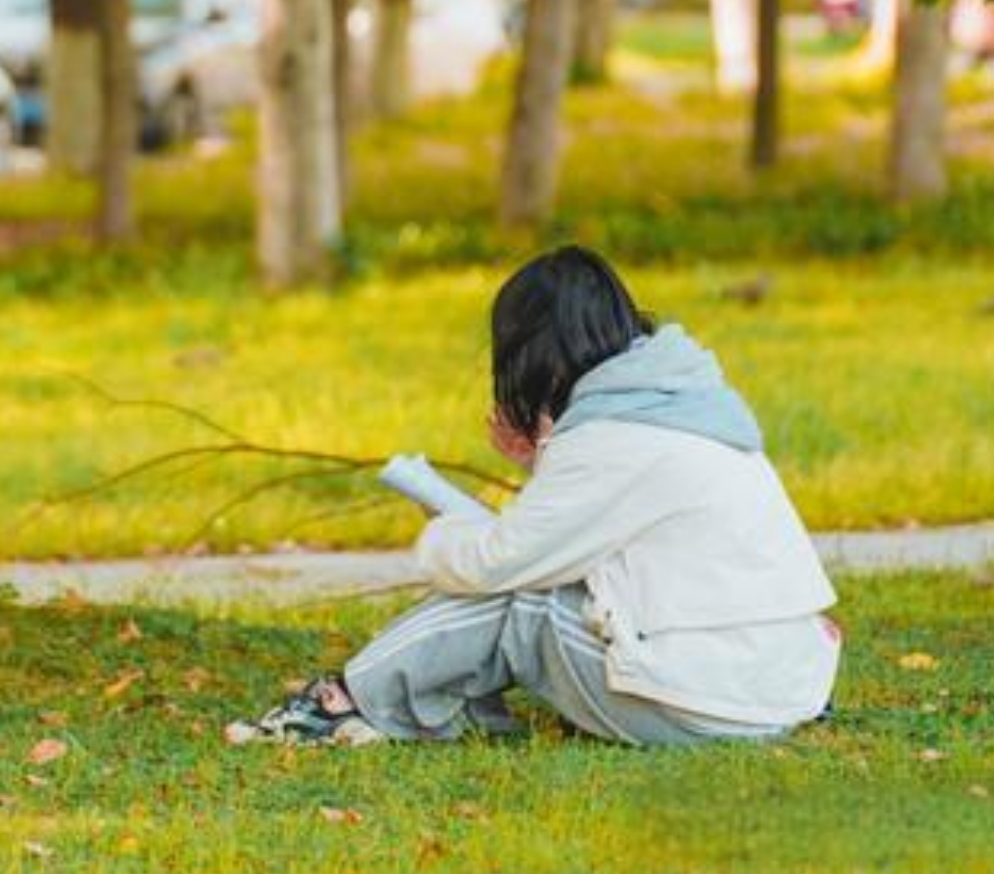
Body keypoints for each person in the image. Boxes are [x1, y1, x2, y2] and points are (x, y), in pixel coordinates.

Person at [234, 246, 840, 747]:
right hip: (774, 688)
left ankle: (341, 701)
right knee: (537, 587)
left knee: (523, 602)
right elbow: (592, 536)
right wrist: (543, 461)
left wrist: (438, 527)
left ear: (532, 353)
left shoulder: (611, 438)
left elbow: (500, 563)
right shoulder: (681, 405)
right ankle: (421, 707)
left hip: (714, 708)